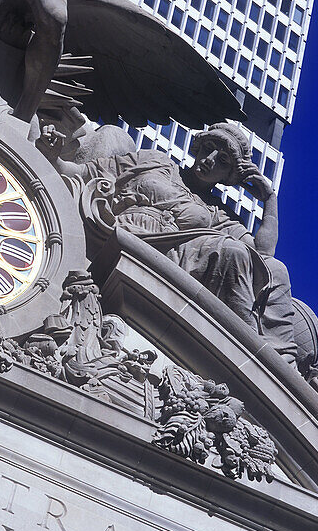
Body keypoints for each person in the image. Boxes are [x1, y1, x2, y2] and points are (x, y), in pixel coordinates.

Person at [58, 120, 296, 358]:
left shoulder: (218, 213)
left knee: (275, 268)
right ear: (198, 146)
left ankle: (275, 359)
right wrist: (51, 155)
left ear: (229, 176)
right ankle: (248, 350)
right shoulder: (157, 162)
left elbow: (264, 256)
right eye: (209, 147)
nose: (210, 159)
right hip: (126, 235)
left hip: (173, 259)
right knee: (234, 252)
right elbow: (88, 172)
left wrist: (269, 198)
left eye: (223, 161)